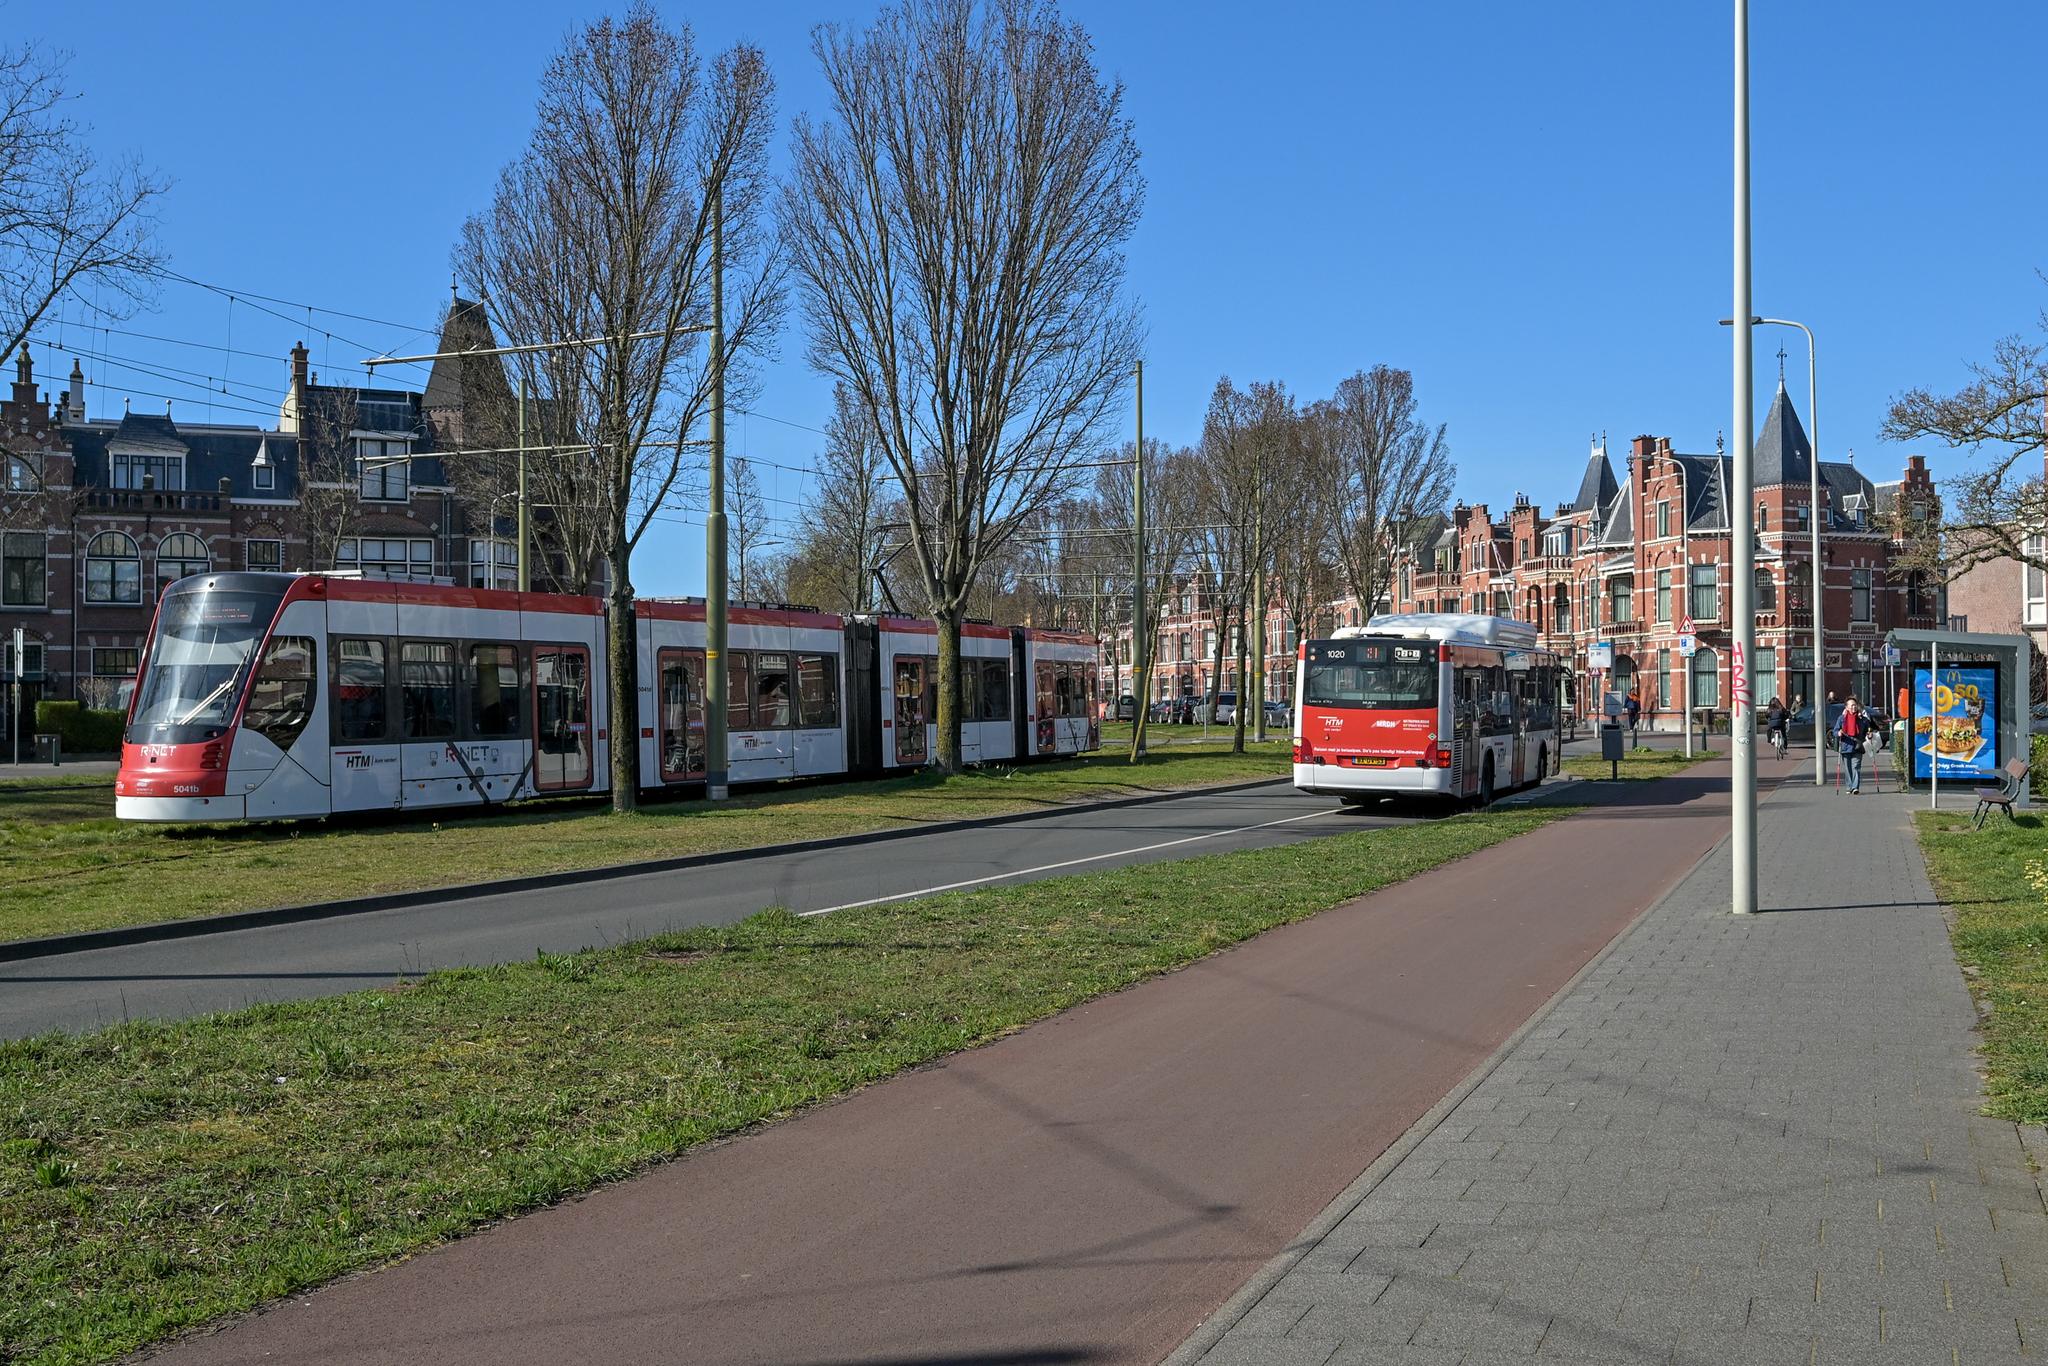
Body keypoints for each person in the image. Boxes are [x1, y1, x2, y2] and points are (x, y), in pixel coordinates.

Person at [1833, 696, 1875, 794]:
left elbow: (1868, 730)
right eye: (1851, 705)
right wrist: (1838, 733)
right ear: (1846, 707)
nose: (1854, 707)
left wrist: (1869, 735)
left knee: (1856, 767)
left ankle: (1855, 787)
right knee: (1848, 769)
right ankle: (1849, 787)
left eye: (1855, 705)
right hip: (1845, 746)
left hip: (1858, 746)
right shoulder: (1842, 719)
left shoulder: (1862, 719)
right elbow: (1835, 731)